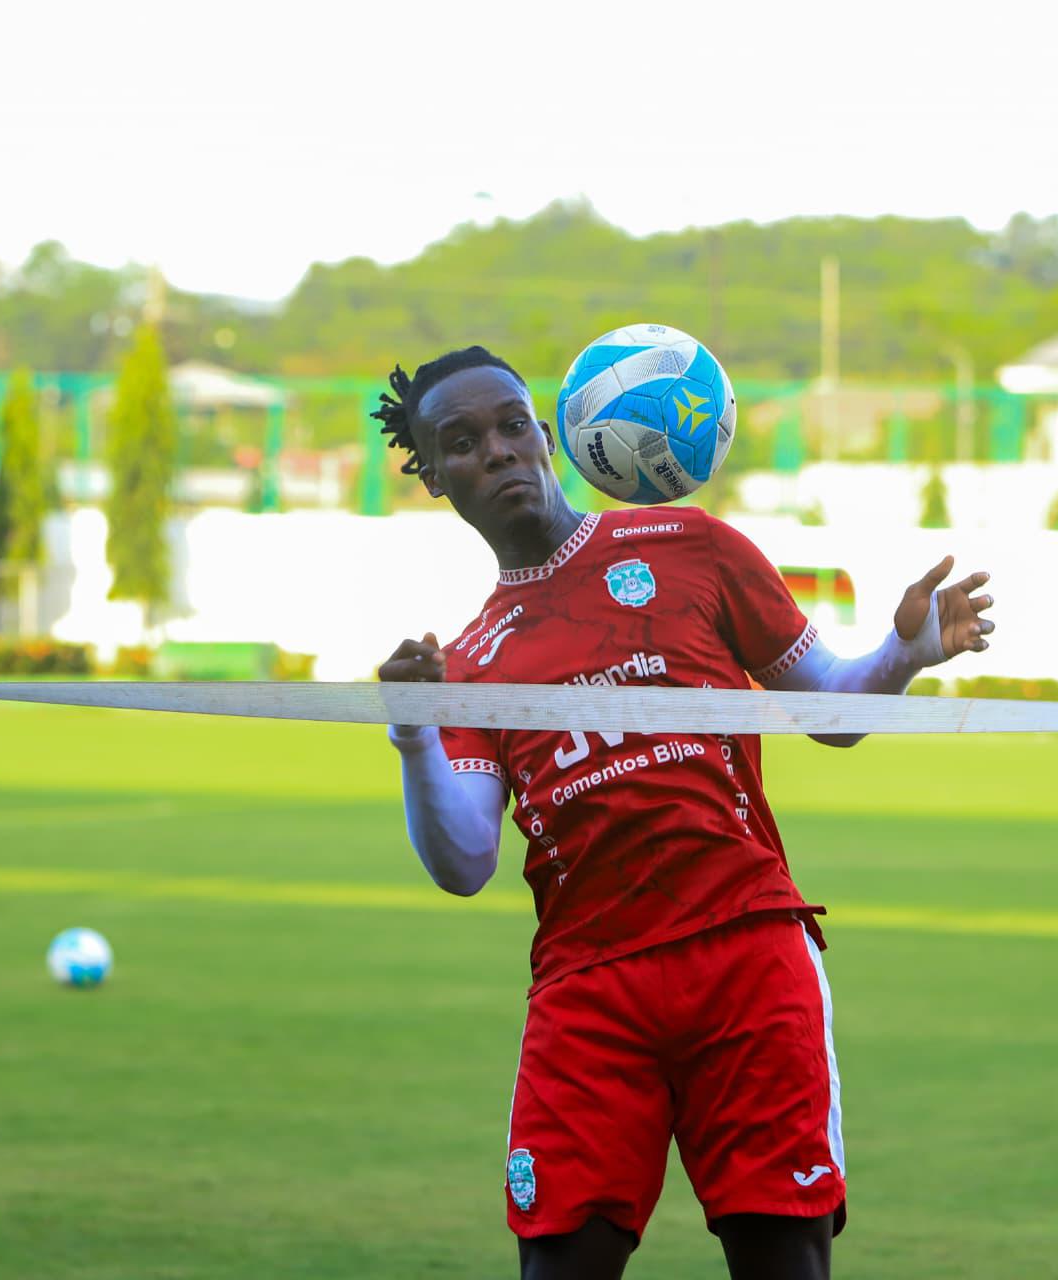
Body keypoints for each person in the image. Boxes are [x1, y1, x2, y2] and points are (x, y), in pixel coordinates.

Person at [375, 346, 995, 1280]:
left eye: (511, 426)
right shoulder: (465, 662)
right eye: (461, 443)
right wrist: (416, 735)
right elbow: (463, 862)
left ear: (549, 436)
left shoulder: (691, 548)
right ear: (432, 477)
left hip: (745, 952)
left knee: (783, 1259)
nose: (497, 451)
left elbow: (830, 709)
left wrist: (901, 654)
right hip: (589, 988)